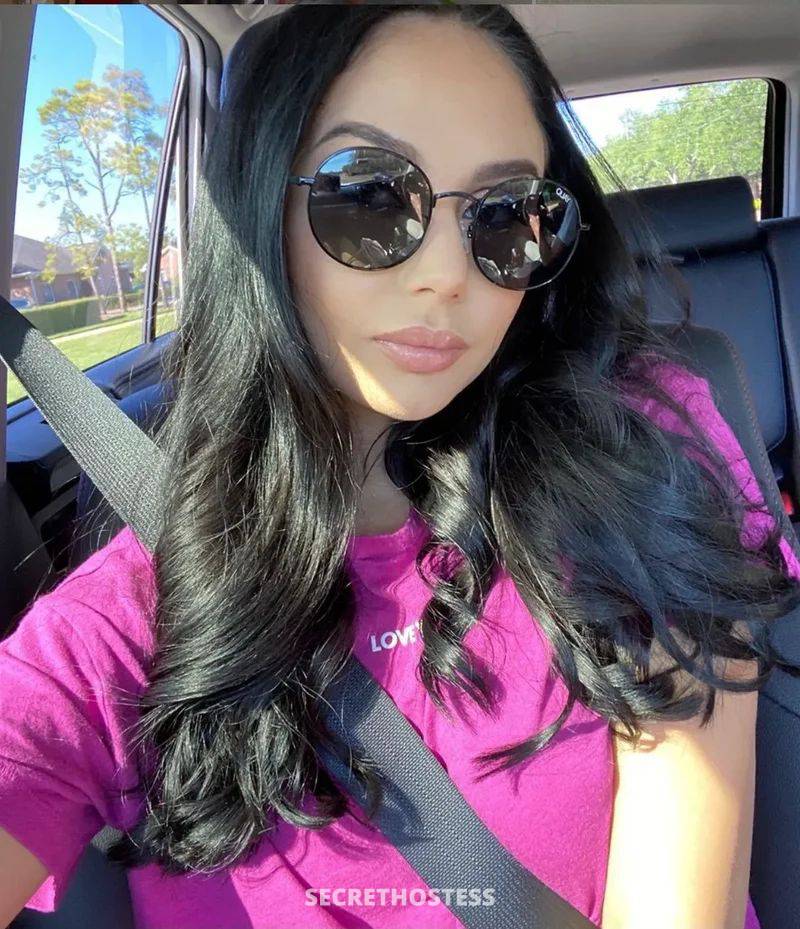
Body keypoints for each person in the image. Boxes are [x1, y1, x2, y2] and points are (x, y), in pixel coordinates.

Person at [1, 5, 799, 928]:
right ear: (258, 207)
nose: (450, 273)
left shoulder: (631, 444)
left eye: (508, 214)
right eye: (370, 196)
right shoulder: (123, 621)